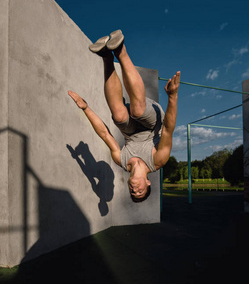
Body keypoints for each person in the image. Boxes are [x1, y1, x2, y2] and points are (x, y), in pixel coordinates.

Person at [68, 29, 180, 202]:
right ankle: (120, 50)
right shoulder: (158, 160)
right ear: (148, 183)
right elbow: (167, 130)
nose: (135, 190)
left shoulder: (121, 160)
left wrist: (86, 108)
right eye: (140, 192)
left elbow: (105, 134)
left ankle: (106, 56)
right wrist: (172, 97)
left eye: (132, 193)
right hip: (153, 122)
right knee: (137, 111)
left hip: (130, 130)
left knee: (119, 116)